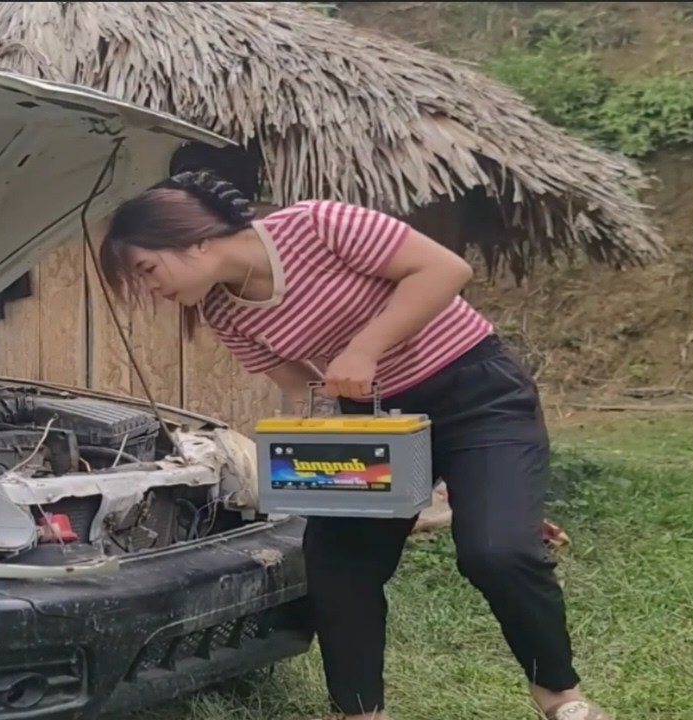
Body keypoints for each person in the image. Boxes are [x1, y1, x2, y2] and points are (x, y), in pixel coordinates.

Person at [95, 170, 610, 720]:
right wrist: (303, 461)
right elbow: (300, 388)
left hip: (476, 393)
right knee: (337, 562)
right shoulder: (222, 309)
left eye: (147, 270)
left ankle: (559, 696)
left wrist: (365, 349)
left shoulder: (319, 224)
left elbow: (444, 270)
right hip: (372, 421)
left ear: (192, 238)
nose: (151, 289)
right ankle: (359, 712)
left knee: (498, 551)